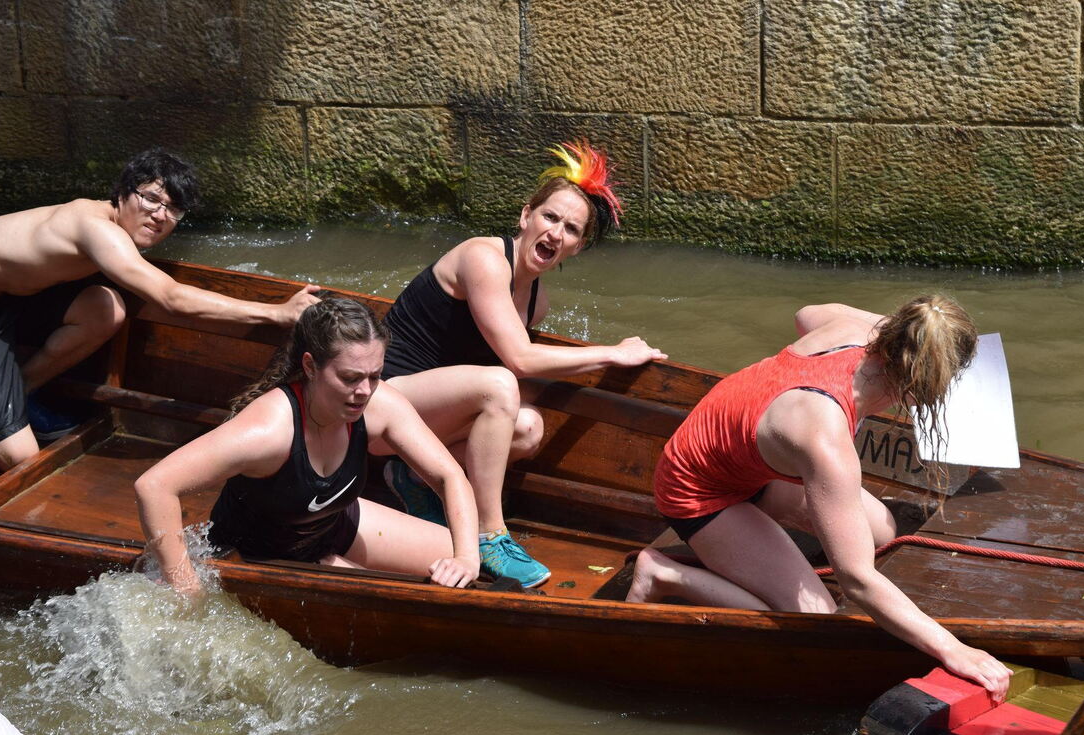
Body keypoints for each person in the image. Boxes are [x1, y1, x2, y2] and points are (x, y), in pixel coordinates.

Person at [626, 295, 1012, 701]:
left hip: (749, 462)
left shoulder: (856, 330)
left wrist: (914, 330)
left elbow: (805, 313)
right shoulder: (824, 439)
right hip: (698, 488)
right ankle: (665, 575)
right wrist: (954, 649)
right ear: (919, 382)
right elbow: (857, 580)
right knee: (817, 618)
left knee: (883, 531)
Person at [376, 141, 667, 588]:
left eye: (570, 229)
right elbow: (518, 360)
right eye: (550, 217)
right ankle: (489, 534)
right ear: (525, 216)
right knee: (500, 385)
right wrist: (612, 352)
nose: (555, 233)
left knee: (528, 426)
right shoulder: (483, 258)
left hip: (425, 418)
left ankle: (412, 476)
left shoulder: (536, 301)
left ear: (577, 247)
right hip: (379, 406)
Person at [0, 148, 318, 473]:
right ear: (123, 192)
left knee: (104, 308)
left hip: (5, 298)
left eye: (173, 209)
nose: (160, 215)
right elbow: (170, 298)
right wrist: (277, 313)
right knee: (20, 457)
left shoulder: (108, 228)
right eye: (151, 198)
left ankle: (19, 393)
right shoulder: (95, 228)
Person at [134, 296, 480, 598]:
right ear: (310, 366)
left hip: (331, 524)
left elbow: (449, 476)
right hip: (260, 554)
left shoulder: (379, 405)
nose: (365, 391)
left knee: (475, 570)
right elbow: (155, 486)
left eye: (374, 375)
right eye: (350, 378)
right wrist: (185, 586)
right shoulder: (267, 431)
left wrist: (465, 558)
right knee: (391, 607)